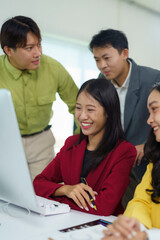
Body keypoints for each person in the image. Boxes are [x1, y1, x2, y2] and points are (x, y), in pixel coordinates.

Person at [33, 78, 136, 216]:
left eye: (90, 109)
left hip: (102, 228)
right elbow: (38, 183)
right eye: (78, 108)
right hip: (69, 221)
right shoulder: (71, 143)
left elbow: (104, 207)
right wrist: (66, 190)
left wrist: (57, 199)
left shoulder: (124, 151)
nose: (82, 116)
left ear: (109, 112)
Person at [0, 16, 79, 180]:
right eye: (29, 48)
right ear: (8, 50)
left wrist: (78, 144)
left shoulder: (53, 68)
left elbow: (78, 106)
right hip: (5, 142)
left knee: (42, 195)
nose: (38, 53)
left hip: (41, 142)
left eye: (39, 44)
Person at [89, 29, 160, 206]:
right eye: (97, 60)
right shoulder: (101, 81)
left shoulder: (153, 78)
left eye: (107, 58)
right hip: (114, 163)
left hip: (144, 163)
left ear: (124, 54)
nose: (102, 65)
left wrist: (147, 144)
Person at [101, 82, 160, 239]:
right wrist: (134, 227)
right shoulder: (156, 160)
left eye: (154, 109)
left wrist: (147, 236)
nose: (149, 120)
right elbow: (141, 200)